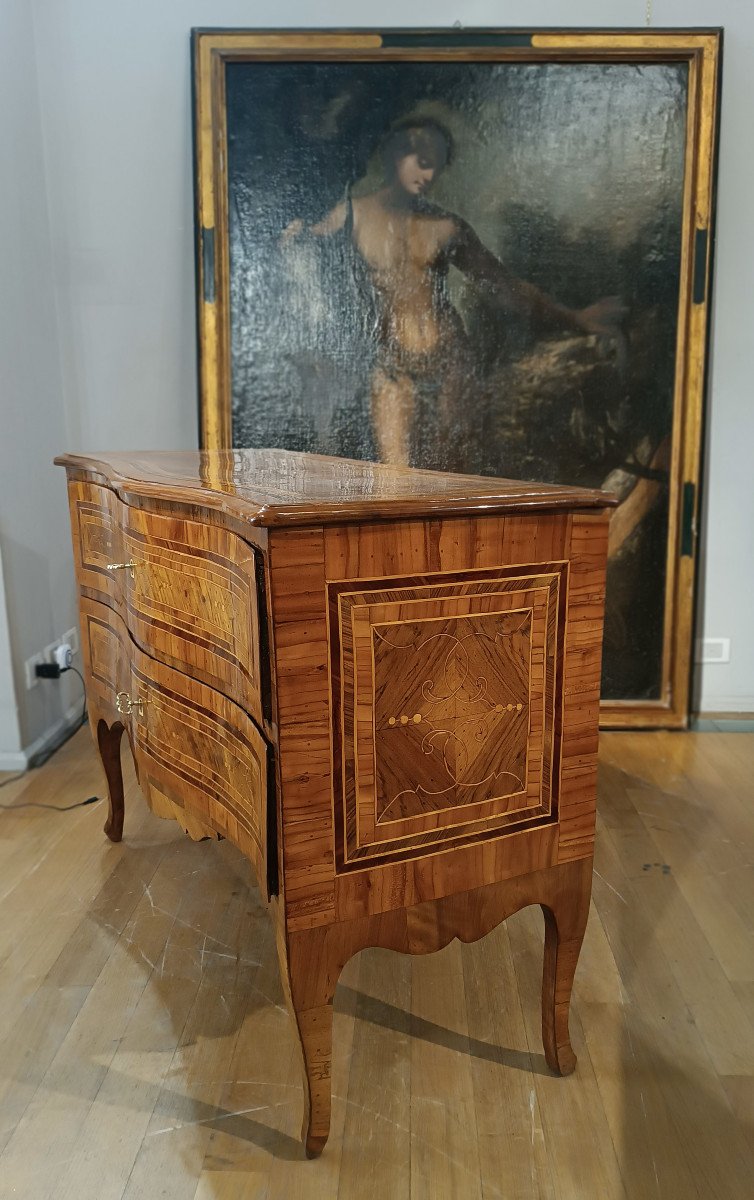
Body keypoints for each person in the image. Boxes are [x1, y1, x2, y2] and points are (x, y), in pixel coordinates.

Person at [282, 116, 625, 467]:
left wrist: (575, 317)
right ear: (394, 155)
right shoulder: (350, 215)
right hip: (392, 363)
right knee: (394, 479)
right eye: (422, 163)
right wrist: (299, 237)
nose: (428, 176)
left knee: (451, 472)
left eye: (437, 166)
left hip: (451, 362)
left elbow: (504, 287)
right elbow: (307, 256)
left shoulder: (446, 227)